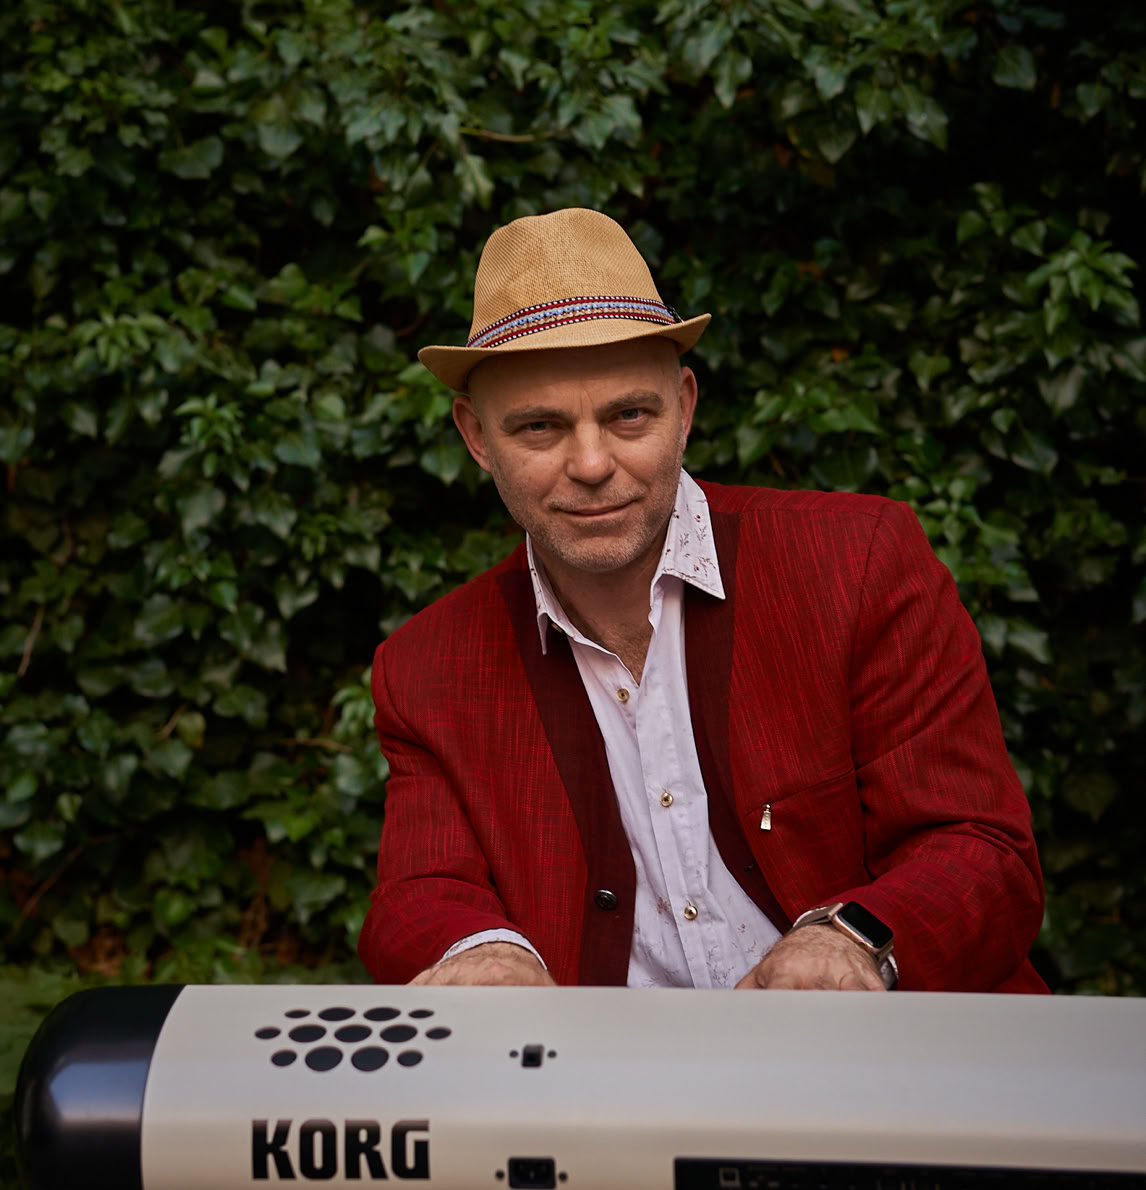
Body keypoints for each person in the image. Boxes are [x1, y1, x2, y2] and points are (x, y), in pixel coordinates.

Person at [357, 208, 1047, 993]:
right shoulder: (426, 667)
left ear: (684, 408)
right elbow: (420, 893)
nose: (592, 463)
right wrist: (482, 949)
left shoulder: (856, 563)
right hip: (605, 1074)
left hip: (891, 1056)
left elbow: (980, 847)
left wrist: (853, 941)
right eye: (540, 427)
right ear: (477, 438)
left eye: (629, 415)